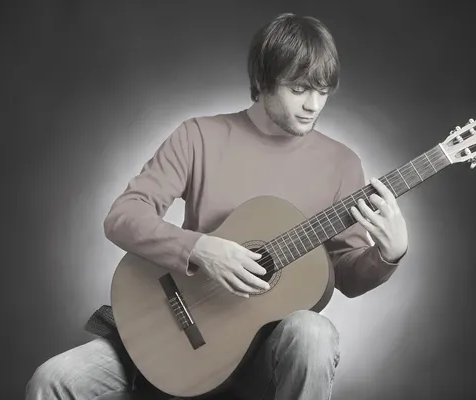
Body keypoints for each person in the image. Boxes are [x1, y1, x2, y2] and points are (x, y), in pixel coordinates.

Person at [25, 12, 408, 400]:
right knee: (52, 380)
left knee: (314, 332)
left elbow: (346, 275)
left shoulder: (342, 164)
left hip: (268, 357)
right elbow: (124, 216)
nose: (313, 105)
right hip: (181, 333)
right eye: (298, 89)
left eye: (322, 91)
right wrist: (199, 248)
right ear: (263, 80)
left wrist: (387, 256)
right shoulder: (198, 136)